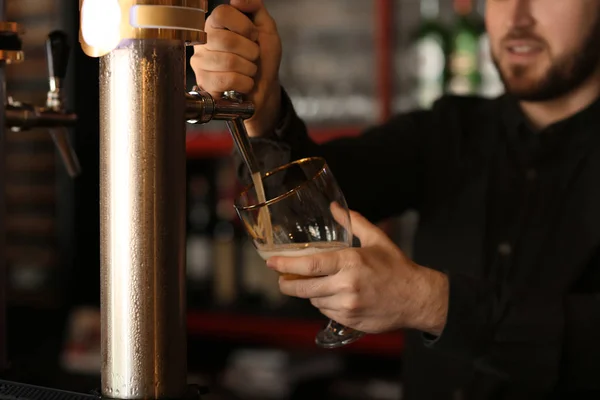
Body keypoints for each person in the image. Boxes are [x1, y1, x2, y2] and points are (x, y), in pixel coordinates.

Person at [192, 0, 600, 398]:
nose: (517, 15)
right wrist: (262, 109)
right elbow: (301, 210)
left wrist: (429, 302)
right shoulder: (450, 130)